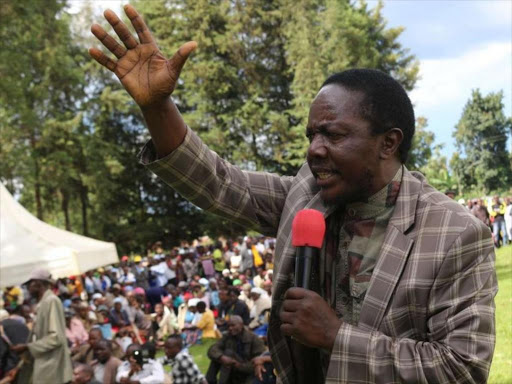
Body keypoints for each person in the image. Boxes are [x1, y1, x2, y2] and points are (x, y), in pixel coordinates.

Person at [90, 6, 497, 383]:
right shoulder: (307, 194)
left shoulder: (454, 233)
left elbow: (461, 367)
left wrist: (337, 336)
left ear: (388, 143)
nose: (314, 149)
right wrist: (157, 108)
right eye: (312, 135)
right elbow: (220, 184)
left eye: (333, 134)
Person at [10, 268, 73, 384]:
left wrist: (27, 347)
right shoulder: (42, 303)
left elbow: (56, 337)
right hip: (44, 363)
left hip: (52, 366)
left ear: (38, 283)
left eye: (29, 284)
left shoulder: (51, 301)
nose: (28, 288)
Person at [206, 316, 265, 384]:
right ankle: (210, 381)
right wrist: (221, 357)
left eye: (233, 325)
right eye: (228, 326)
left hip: (246, 371)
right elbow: (213, 349)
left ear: (241, 325)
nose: (230, 328)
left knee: (228, 353)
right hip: (231, 369)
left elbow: (259, 360)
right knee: (218, 356)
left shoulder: (254, 339)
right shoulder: (227, 336)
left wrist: (237, 364)